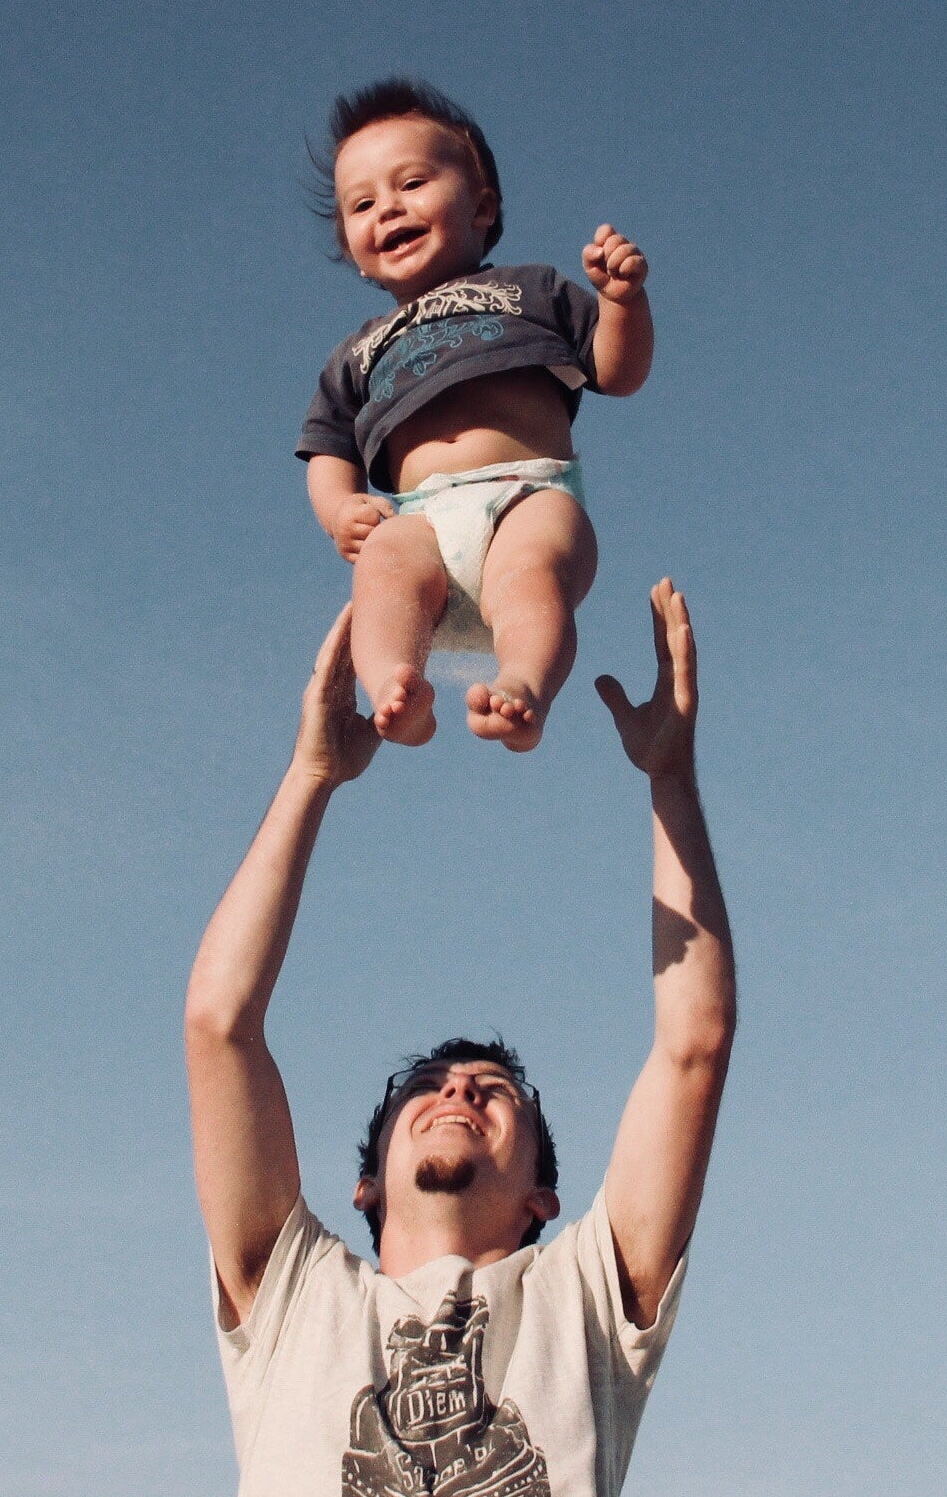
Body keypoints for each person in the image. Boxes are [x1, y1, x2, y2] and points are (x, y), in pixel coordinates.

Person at [184, 582, 735, 1496]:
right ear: (364, 1181)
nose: (459, 1091)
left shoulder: (586, 1305)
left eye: (493, 1088)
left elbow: (695, 1044)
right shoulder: (297, 1300)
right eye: (429, 1086)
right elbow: (219, 1025)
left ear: (542, 1198)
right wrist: (310, 773)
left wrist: (670, 778)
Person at [296, 78, 655, 753]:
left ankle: (523, 685)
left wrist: (621, 304)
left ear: (482, 205)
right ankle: (395, 687)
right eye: (364, 203)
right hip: (419, 517)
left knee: (530, 576)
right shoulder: (359, 352)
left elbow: (617, 372)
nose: (389, 208)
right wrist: (340, 508)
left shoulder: (530, 289)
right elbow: (327, 445)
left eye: (412, 183)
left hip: (530, 493)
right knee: (382, 568)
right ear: (352, 248)